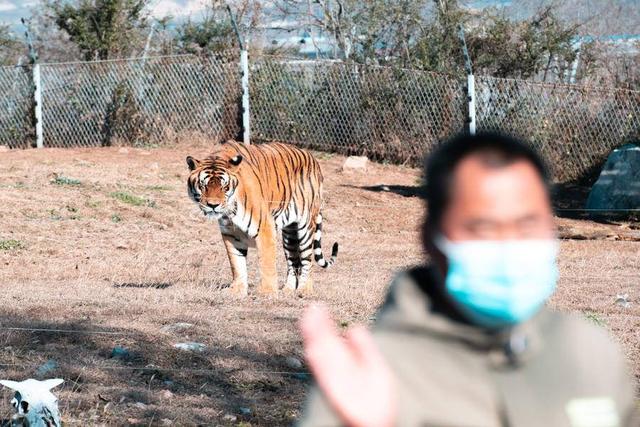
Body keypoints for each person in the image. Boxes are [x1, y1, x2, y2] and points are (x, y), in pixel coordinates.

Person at [297, 132, 637, 427]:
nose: (509, 246)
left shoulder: (589, 349)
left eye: (528, 224)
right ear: (429, 238)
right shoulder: (370, 376)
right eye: (482, 228)